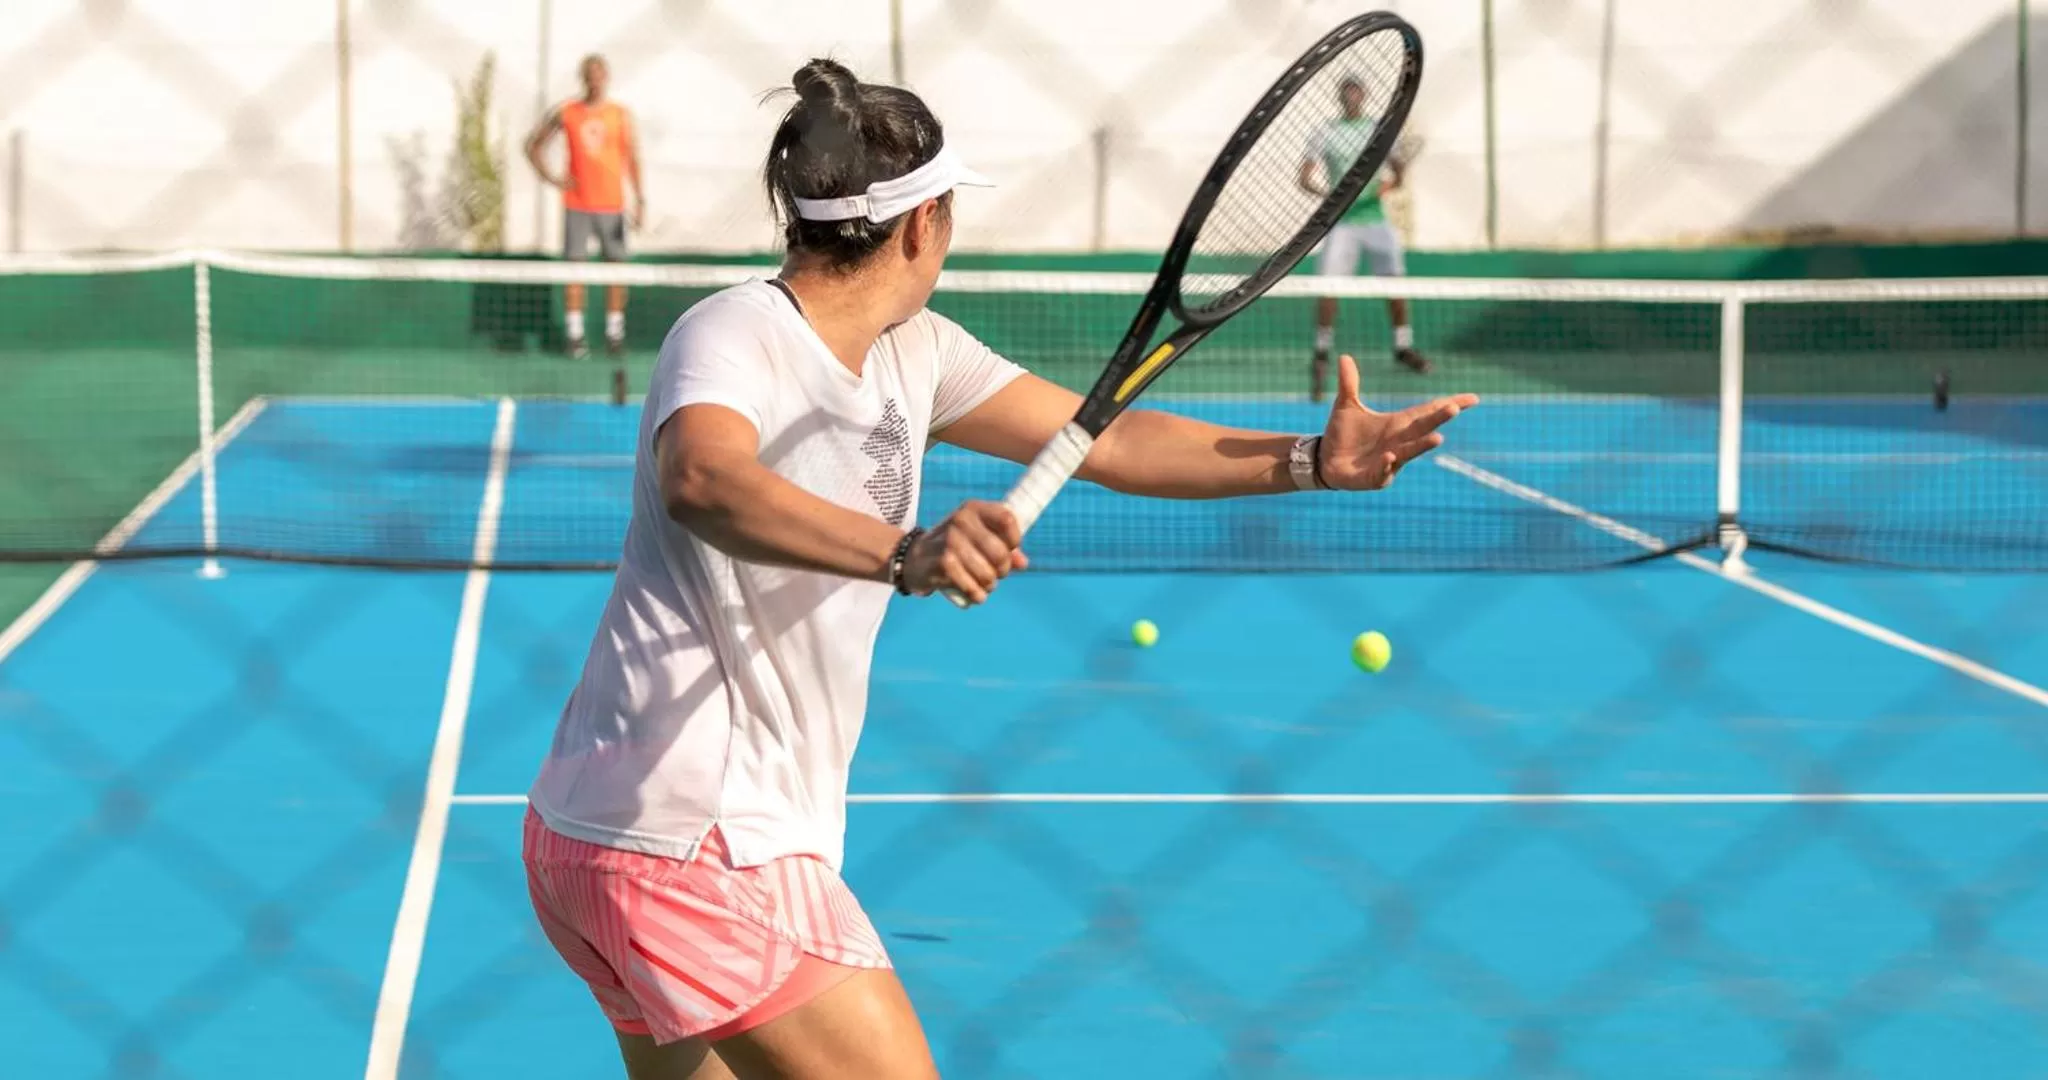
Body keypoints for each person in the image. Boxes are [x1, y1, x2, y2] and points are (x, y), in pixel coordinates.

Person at [523, 58, 1477, 1080]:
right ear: (920, 224)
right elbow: (703, 479)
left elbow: (1105, 441)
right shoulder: (735, 333)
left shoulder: (916, 352)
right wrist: (904, 552)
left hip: (599, 837)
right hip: (706, 841)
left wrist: (1310, 464)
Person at [1300, 74, 1428, 400]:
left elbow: (1398, 174)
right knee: (1328, 288)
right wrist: (1331, 195)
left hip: (1376, 222)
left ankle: (1403, 346)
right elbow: (1304, 177)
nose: (1352, 96)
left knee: (1395, 284)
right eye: (1347, 91)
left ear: (1364, 96)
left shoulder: (1378, 130)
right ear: (1340, 96)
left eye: (1357, 91)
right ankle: (1321, 353)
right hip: (1341, 225)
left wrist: (1381, 189)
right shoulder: (1324, 132)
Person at [527, 53, 646, 358]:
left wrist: (639, 199)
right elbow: (534, 145)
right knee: (575, 271)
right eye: (589, 74)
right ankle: (575, 336)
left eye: (599, 74)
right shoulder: (568, 112)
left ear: (606, 77)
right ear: (583, 78)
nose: (595, 80)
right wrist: (552, 178)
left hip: (612, 205)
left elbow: (631, 157)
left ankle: (614, 333)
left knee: (616, 271)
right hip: (577, 204)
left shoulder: (619, 115)